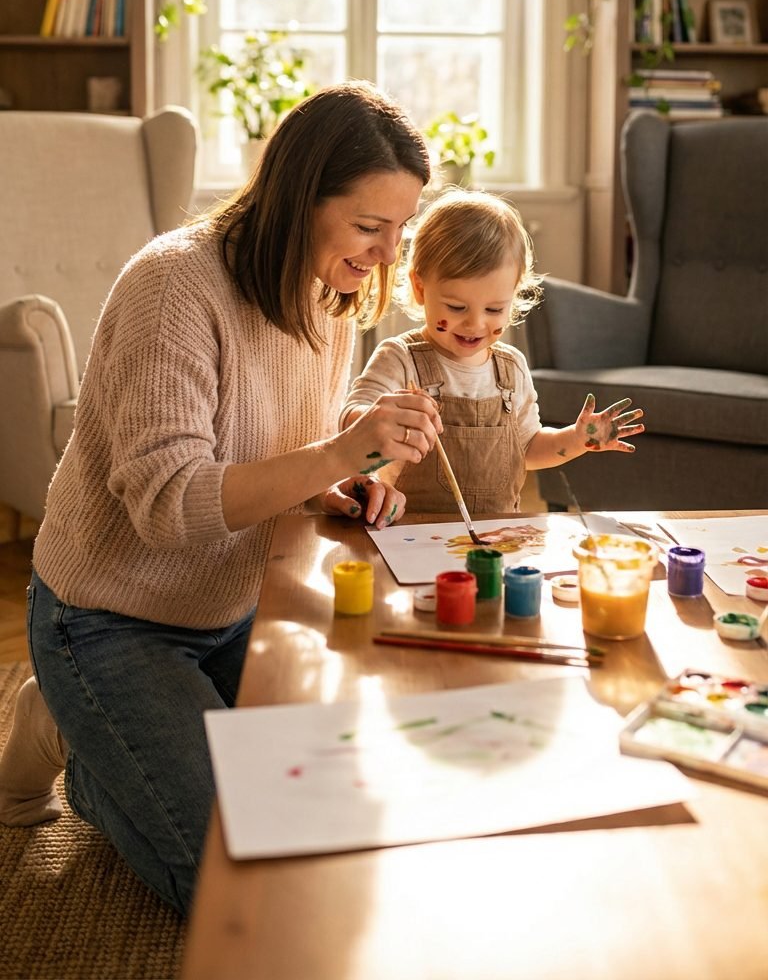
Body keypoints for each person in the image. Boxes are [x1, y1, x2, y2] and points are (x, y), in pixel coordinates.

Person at [0, 80, 443, 915]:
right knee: (235, 891)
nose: (389, 255)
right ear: (299, 198)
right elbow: (169, 505)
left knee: (327, 821)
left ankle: (100, 733)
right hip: (107, 618)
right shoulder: (174, 287)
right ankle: (83, 746)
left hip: (238, 607)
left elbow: (281, 450)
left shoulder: (328, 291)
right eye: (369, 227)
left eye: (401, 230)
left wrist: (345, 477)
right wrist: (342, 448)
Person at [342, 188, 644, 515]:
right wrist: (385, 419)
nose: (474, 323)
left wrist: (576, 439)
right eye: (456, 306)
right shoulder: (400, 359)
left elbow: (528, 449)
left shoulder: (511, 368)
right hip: (411, 535)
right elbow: (350, 421)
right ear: (420, 287)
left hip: (498, 537)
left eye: (495, 309)